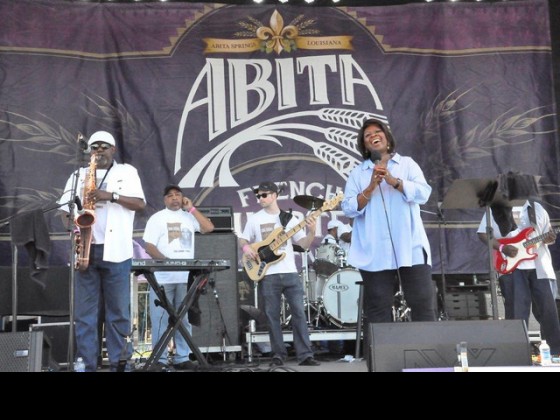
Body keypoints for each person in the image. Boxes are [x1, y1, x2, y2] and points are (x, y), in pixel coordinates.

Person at [58, 130, 146, 371]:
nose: (98, 149)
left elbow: (140, 203)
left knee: (117, 312)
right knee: (85, 315)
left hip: (116, 252)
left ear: (113, 149)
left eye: (104, 146)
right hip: (86, 248)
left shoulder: (126, 172)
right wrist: (72, 224)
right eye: (95, 146)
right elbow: (64, 209)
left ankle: (120, 364)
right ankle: (88, 364)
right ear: (90, 151)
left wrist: (111, 196)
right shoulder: (79, 175)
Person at [341, 118, 436, 325]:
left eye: (377, 132)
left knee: (422, 302)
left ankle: (428, 353)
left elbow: (423, 194)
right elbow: (348, 208)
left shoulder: (407, 164)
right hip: (375, 251)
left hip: (410, 247)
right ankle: (381, 357)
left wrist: (394, 181)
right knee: (377, 306)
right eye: (368, 135)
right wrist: (370, 188)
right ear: (364, 145)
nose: (374, 136)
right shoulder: (358, 173)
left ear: (386, 137)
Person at [239, 181, 320, 367]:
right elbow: (243, 238)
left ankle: (305, 355)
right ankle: (278, 354)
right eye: (258, 195)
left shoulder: (290, 218)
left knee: (299, 313)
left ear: (275, 195)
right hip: (267, 273)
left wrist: (312, 230)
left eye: (264, 195)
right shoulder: (254, 219)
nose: (260, 198)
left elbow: (305, 245)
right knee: (272, 316)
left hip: (290, 272)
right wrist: (246, 248)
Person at [142, 184, 214, 370]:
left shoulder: (189, 216)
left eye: (178, 195)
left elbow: (208, 228)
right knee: (160, 319)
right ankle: (160, 358)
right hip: (162, 278)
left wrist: (191, 208)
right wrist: (166, 262)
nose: (174, 198)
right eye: (170, 195)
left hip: (185, 278)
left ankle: (182, 357)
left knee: (184, 319)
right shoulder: (157, 218)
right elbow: (149, 246)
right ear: (164, 199)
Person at [477, 201, 560, 355]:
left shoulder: (537, 208)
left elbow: (548, 234)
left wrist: (550, 237)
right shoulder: (496, 208)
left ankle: (555, 353)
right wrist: (502, 247)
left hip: (540, 267)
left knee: (548, 311)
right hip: (512, 268)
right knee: (516, 314)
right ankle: (516, 354)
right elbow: (482, 234)